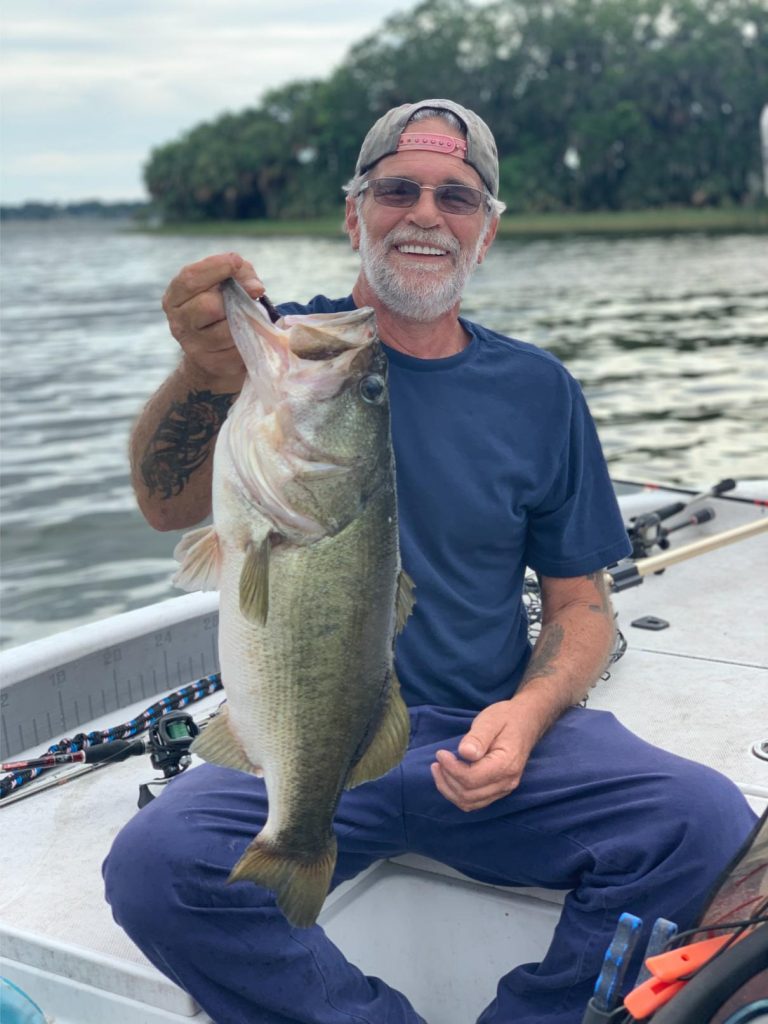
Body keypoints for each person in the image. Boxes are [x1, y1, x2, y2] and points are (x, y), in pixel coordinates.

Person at [104, 99, 756, 1024]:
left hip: (486, 736)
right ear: (353, 215)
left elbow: (581, 607)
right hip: (312, 744)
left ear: (486, 233)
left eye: (457, 197)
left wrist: (525, 717)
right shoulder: (284, 351)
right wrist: (203, 374)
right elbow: (166, 503)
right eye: (396, 190)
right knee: (156, 865)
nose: (425, 214)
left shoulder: (539, 390)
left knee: (710, 827)